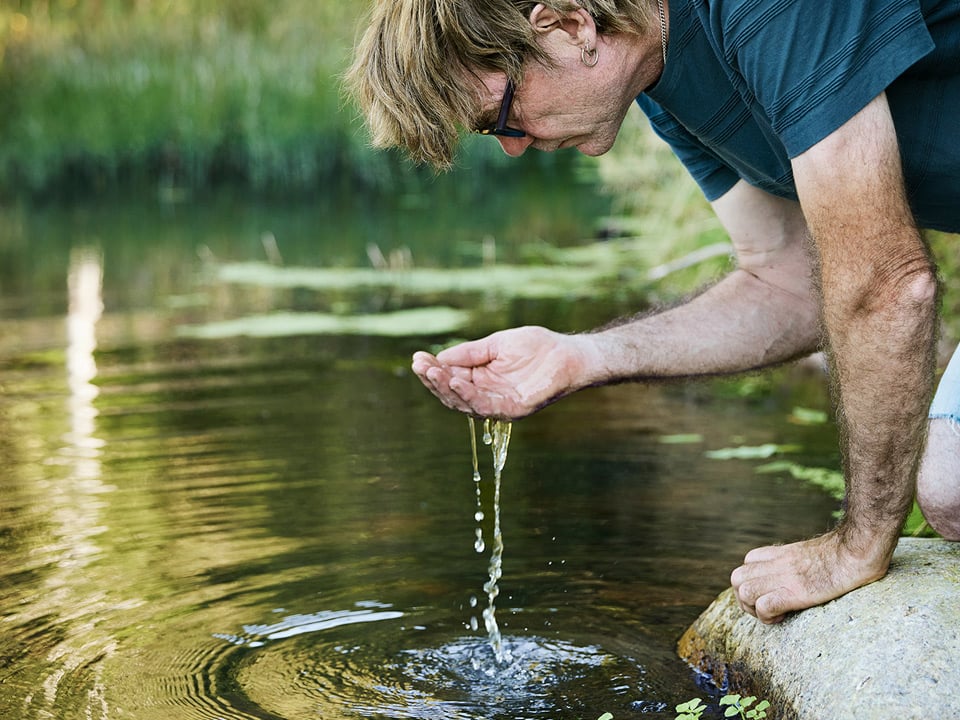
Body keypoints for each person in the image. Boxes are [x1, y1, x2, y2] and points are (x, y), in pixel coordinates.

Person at [345, 0, 960, 624]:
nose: (512, 147)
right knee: (954, 491)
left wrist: (860, 545)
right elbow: (790, 286)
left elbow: (885, 285)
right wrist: (583, 355)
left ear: (568, 25)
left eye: (501, 117)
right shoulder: (660, 85)